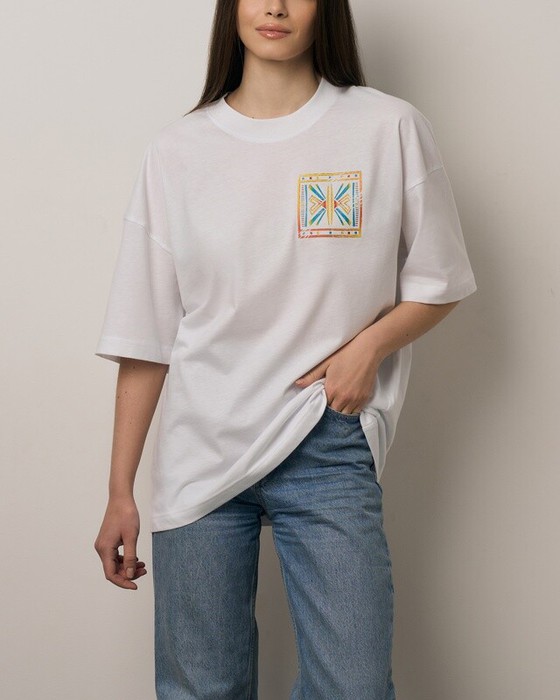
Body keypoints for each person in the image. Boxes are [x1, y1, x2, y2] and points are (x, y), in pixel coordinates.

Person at [93, 1, 476, 698]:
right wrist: (120, 491)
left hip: (326, 440)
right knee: (201, 689)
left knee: (353, 686)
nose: (274, 6)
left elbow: (441, 279)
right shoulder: (178, 151)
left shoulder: (385, 127)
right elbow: (145, 337)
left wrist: (369, 347)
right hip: (201, 449)